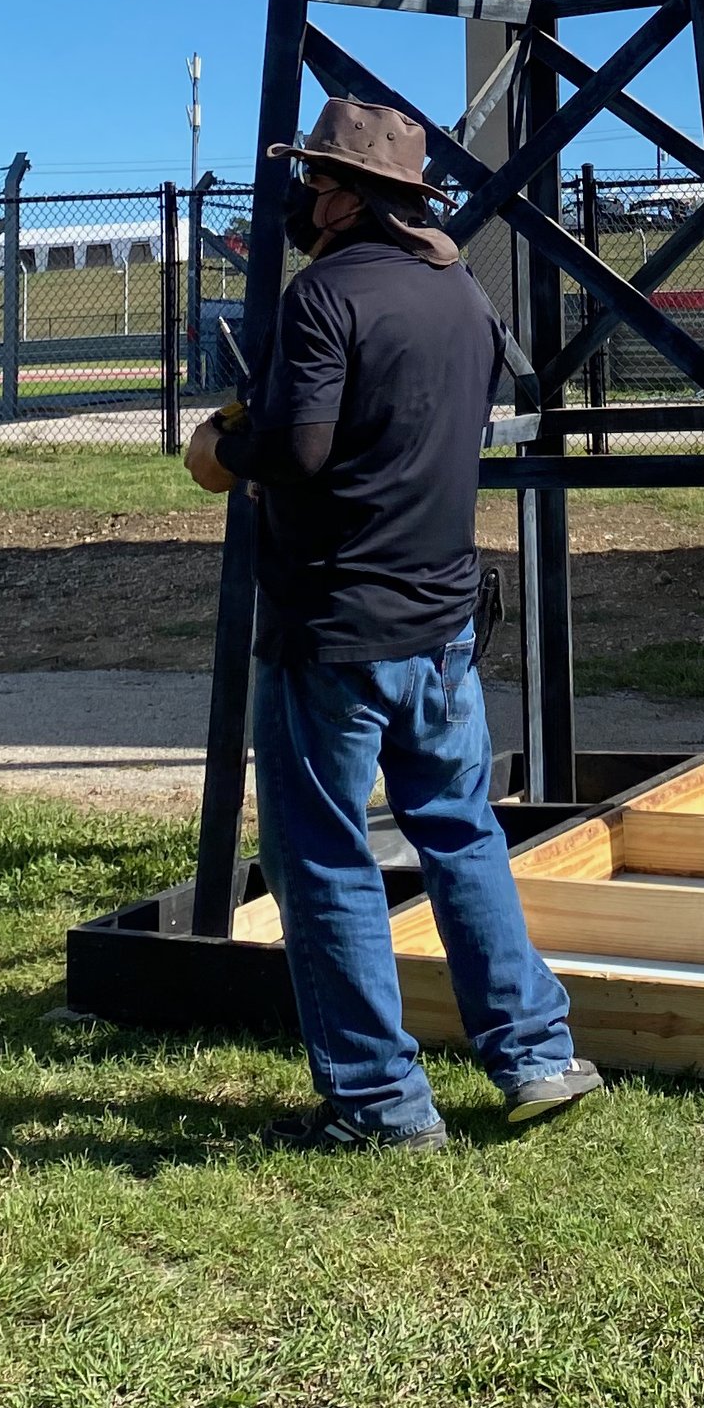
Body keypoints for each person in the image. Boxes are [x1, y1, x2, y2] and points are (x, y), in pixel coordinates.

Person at [185, 95, 602, 1153]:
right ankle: (535, 1055)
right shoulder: (459, 291)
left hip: (335, 628)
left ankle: (377, 1103)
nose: (298, 200)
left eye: (311, 182)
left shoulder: (326, 294)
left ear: (345, 197)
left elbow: (308, 452)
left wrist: (220, 455)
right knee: (461, 836)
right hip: (443, 626)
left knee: (323, 859)